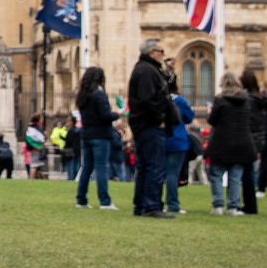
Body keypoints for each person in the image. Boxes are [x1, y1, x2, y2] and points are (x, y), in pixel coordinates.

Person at [126, 38, 178, 218]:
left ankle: (141, 205)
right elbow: (148, 100)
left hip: (144, 124)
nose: (163, 55)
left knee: (145, 166)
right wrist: (159, 118)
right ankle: (151, 205)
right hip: (149, 125)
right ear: (151, 52)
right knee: (154, 165)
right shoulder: (147, 71)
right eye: (160, 51)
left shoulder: (147, 69)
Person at [205, 72, 256, 217]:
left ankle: (218, 205)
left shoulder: (220, 100)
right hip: (242, 143)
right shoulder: (246, 100)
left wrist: (210, 112)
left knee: (216, 175)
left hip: (221, 142)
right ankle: (233, 207)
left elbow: (212, 120)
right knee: (235, 177)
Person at [73, 67, 116, 210]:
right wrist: (118, 114)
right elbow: (105, 116)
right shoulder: (99, 94)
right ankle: (105, 201)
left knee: (86, 167)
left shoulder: (83, 96)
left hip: (86, 135)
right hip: (100, 135)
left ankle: (81, 199)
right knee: (101, 168)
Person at [163, 78, 195, 215]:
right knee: (172, 173)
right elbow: (189, 117)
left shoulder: (158, 99)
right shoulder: (179, 100)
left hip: (162, 139)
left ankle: (156, 202)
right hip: (177, 140)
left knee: (160, 173)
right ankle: (172, 204)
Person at [237, 70, 266, 216]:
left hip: (247, 138)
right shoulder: (260, 98)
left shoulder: (247, 99)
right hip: (259, 139)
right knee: (250, 173)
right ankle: (250, 204)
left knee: (242, 173)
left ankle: (245, 205)